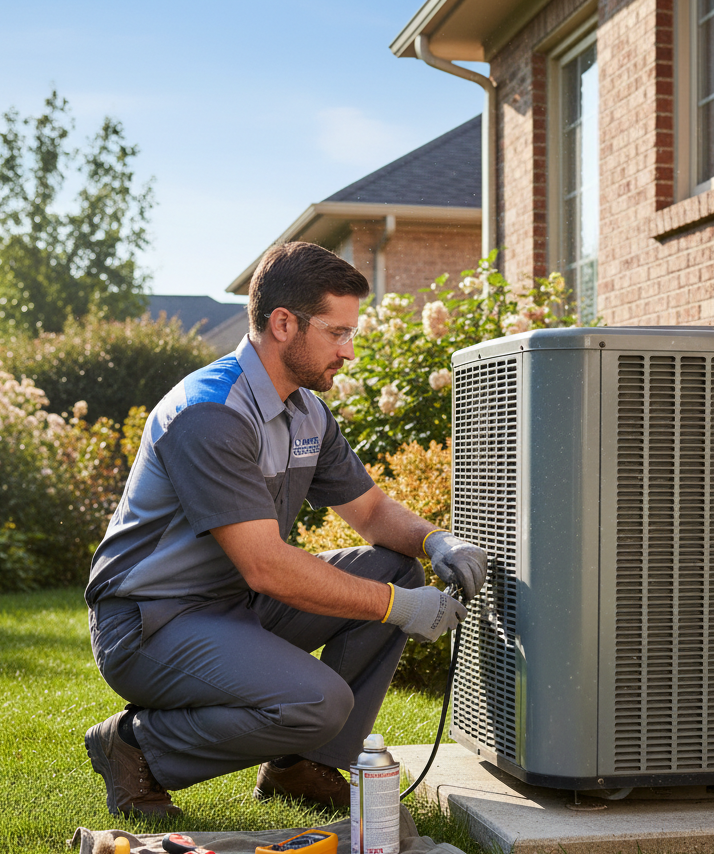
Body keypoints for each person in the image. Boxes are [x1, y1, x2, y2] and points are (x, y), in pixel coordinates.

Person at [84, 241, 487, 818]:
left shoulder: (305, 412)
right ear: (282, 324)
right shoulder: (211, 413)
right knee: (318, 700)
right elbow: (266, 565)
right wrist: (402, 608)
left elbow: (370, 512)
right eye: (337, 332)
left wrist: (434, 541)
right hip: (151, 621)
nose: (348, 352)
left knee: (394, 563)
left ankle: (302, 768)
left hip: (234, 603)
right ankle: (134, 747)